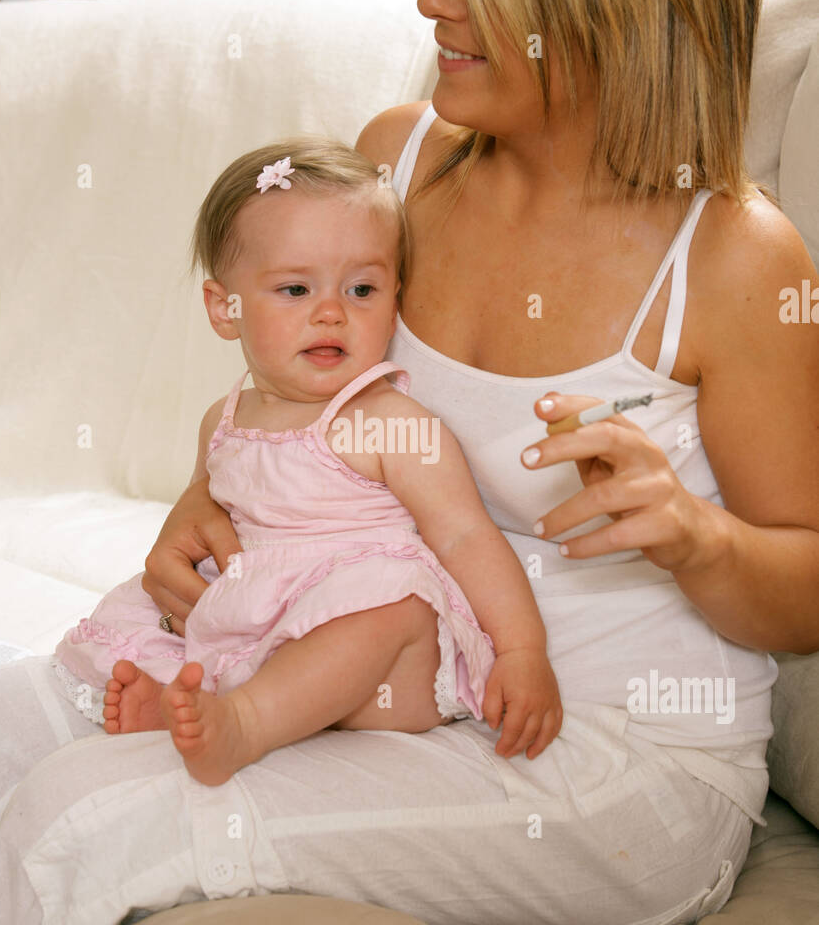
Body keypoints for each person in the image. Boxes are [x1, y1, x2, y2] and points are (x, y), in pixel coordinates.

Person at [0, 0, 818, 925]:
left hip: (606, 767)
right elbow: (318, 392)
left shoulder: (732, 259)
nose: (432, 3)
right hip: (379, 673)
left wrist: (693, 539)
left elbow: (802, 583)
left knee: (73, 825)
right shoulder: (401, 162)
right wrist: (203, 492)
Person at [51, 138, 562, 784]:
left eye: (362, 288)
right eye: (295, 288)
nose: (331, 312)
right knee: (154, 611)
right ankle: (189, 703)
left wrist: (522, 650)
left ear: (396, 296)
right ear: (224, 308)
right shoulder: (223, 419)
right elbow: (208, 524)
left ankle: (246, 724)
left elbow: (466, 535)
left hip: (383, 676)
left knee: (389, 608)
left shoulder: (389, 423)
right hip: (260, 638)